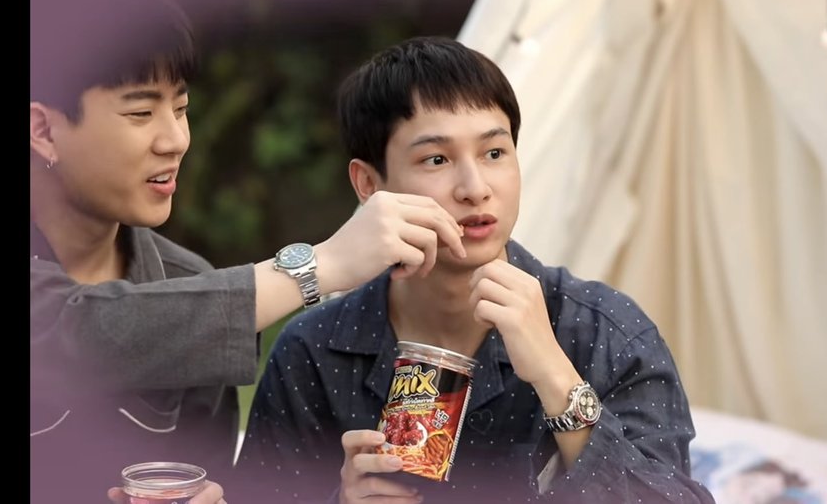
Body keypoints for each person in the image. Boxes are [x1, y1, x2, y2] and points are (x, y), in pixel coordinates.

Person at [29, 0, 465, 504]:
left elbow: (212, 476)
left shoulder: (190, 284)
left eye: (181, 108)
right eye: (141, 112)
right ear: (44, 130)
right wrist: (318, 265)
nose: (175, 139)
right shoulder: (236, 318)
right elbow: (79, 329)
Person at [238, 37, 715, 503]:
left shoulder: (604, 332)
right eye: (437, 159)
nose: (475, 187)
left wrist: (557, 379)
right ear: (368, 183)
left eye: (494, 153)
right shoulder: (314, 352)